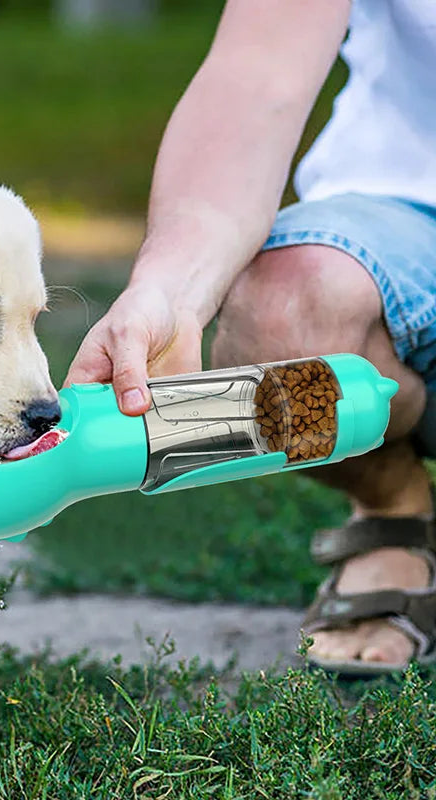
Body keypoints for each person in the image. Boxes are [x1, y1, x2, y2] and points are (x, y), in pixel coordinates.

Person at [65, 0, 436, 674]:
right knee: (285, 317)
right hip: (408, 205)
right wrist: (171, 292)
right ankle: (395, 510)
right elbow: (255, 75)